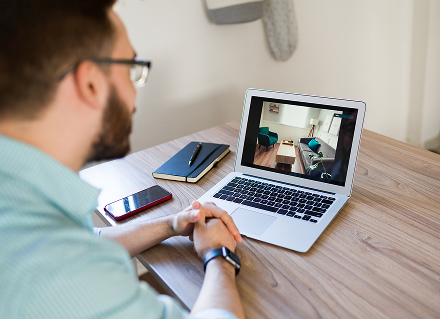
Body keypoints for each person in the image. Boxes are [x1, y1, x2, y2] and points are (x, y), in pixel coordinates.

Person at [0, 1, 245, 318]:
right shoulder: (59, 272)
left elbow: (92, 241)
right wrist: (219, 256)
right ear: (90, 83)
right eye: (130, 68)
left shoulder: (22, 199)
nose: (134, 93)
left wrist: (171, 224)